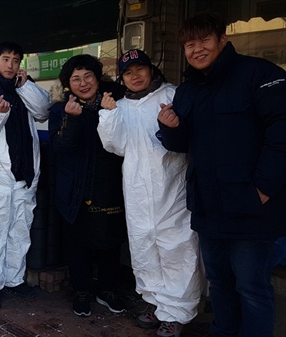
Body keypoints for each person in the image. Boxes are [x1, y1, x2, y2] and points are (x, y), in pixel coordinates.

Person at [157, 12, 286, 337]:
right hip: (208, 205)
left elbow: (282, 133)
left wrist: (265, 188)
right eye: (189, 43)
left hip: (251, 205)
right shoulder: (187, 91)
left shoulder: (260, 74)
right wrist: (170, 129)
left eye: (203, 40)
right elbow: (182, 144)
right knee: (219, 283)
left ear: (222, 40)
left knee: (252, 287)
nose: (196, 49)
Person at [97, 49, 203, 337]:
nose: (135, 76)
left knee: (177, 247)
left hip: (171, 186)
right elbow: (115, 146)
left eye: (140, 69)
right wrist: (108, 116)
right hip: (136, 189)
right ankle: (155, 303)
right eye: (128, 73)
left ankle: (178, 311)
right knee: (144, 246)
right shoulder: (120, 105)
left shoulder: (173, 94)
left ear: (151, 70)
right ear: (122, 77)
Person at [0, 41, 51, 309]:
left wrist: (26, 86)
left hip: (25, 173)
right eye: (6, 59)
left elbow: (43, 111)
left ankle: (14, 279)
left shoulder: (22, 90)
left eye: (16, 60)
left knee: (20, 229)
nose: (10, 65)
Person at [48, 54, 127, 317]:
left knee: (109, 239)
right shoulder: (61, 110)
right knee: (76, 240)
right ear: (68, 85)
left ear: (98, 78)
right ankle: (81, 289)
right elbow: (59, 147)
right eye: (76, 79)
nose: (83, 83)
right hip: (74, 186)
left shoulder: (113, 104)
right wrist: (72, 120)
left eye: (88, 76)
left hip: (109, 182)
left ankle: (107, 289)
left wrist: (109, 112)